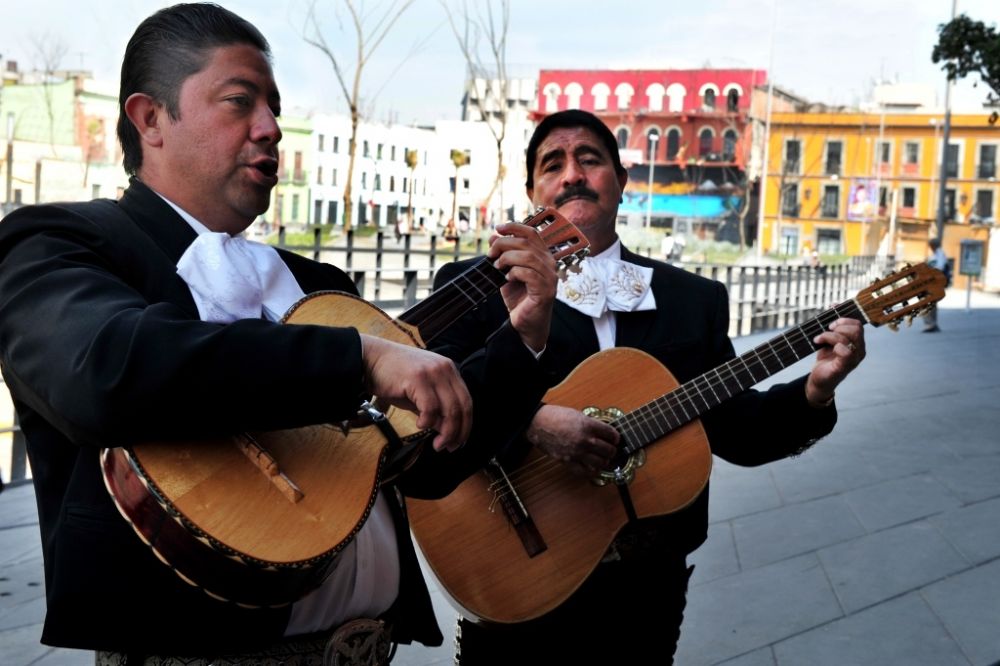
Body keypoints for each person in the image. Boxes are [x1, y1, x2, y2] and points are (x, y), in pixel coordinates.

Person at [0, 4, 557, 664]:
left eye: (274, 107)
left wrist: (521, 342)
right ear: (150, 119)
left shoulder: (313, 282)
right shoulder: (59, 243)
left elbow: (425, 464)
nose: (270, 128)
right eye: (240, 102)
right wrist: (359, 358)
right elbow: (103, 369)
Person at [427, 110, 867, 665]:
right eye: (552, 164)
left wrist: (816, 391)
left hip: (646, 585)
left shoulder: (693, 300)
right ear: (533, 189)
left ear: (621, 180)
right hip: (517, 566)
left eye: (590, 159)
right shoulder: (476, 287)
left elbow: (733, 431)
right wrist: (532, 422)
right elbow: (436, 408)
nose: (572, 175)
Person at [922, 236, 948, 332]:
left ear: (933, 246)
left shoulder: (940, 254)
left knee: (926, 302)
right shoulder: (935, 254)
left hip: (934, 282)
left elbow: (939, 267)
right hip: (932, 282)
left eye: (931, 246)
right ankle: (932, 324)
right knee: (932, 303)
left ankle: (930, 324)